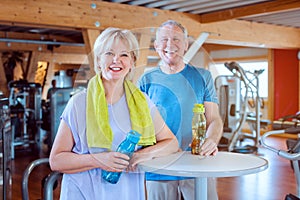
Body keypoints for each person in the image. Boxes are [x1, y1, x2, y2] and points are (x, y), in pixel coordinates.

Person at [49, 27, 179, 200]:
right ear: (98, 60)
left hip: (127, 193)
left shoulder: (142, 102)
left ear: (132, 61)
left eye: (124, 55)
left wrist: (140, 155)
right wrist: (97, 160)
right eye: (109, 53)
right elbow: (56, 160)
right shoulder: (79, 103)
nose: (116, 60)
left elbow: (171, 143)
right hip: (83, 193)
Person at [138, 20, 223, 200]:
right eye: (164, 39)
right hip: (158, 167)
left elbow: (214, 119)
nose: (170, 45)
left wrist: (212, 139)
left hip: (198, 162)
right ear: (156, 45)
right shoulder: (146, 80)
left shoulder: (203, 76)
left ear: (186, 45)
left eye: (176, 39)